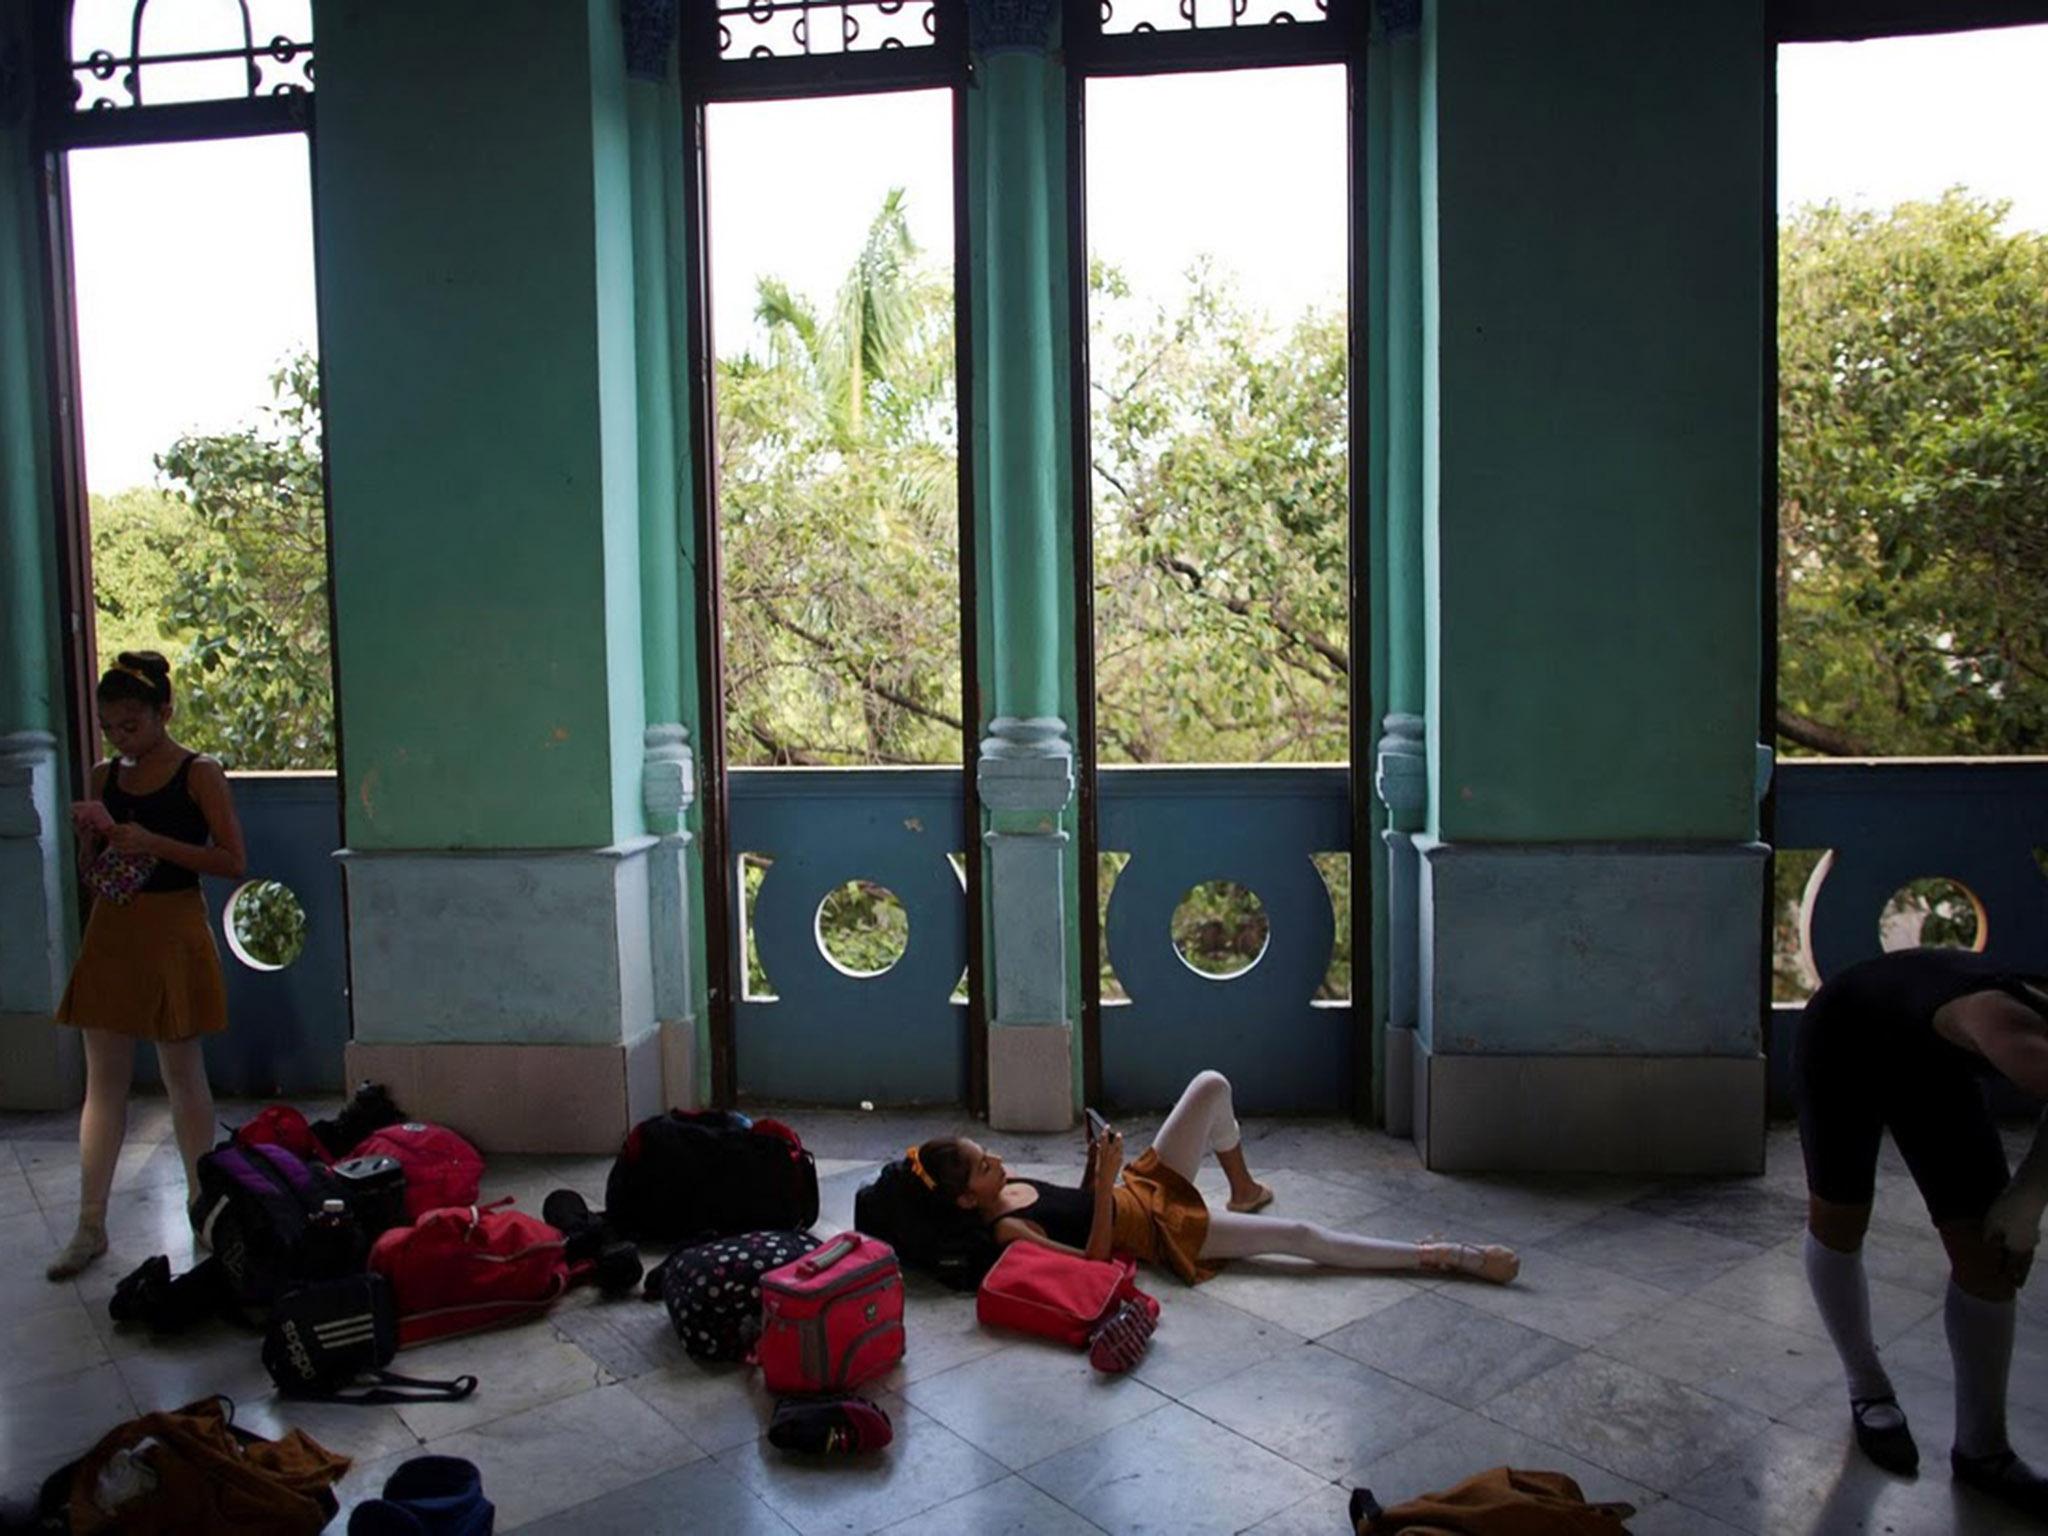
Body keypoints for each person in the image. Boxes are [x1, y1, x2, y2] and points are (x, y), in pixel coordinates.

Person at [1795, 946, 2048, 1517]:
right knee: (1839, 1220)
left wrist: (2024, 1202)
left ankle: (1984, 1451)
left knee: (1987, 1258)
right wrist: (2028, 1201)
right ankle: (1868, 1389)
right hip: (1844, 1038)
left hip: (1932, 1062)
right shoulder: (2016, 1029)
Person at [910, 1069, 1518, 1286]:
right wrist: (1106, 1186)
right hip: (1158, 1228)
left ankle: (1244, 1189)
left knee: (1210, 1085)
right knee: (1300, 1236)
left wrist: (1098, 1163)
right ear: (968, 1198)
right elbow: (1094, 1263)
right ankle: (1442, 1256)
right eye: (984, 1165)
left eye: (986, 1152)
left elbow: (1083, 1202)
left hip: (1138, 1188)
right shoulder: (1010, 1232)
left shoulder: (1013, 1192)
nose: (996, 1159)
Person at [45, 652, 246, 1281]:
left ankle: (202, 1208)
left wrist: (154, 842)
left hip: (173, 927)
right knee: (102, 1082)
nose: (120, 739)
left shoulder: (198, 772)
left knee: (182, 1076)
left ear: (164, 711)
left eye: (131, 724)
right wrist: (92, 839)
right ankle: (90, 1224)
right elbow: (98, 871)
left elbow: (231, 860)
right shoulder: (106, 774)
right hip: (114, 927)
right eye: (110, 727)